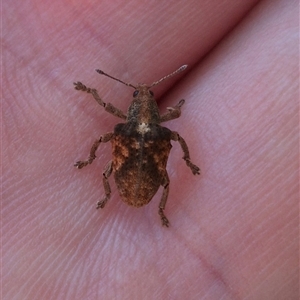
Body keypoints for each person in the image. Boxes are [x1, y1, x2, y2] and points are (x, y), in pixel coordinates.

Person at [3, 0, 298, 299]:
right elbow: (177, 131)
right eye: (140, 94)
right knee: (162, 178)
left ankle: (113, 195)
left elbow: (107, 111)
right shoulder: (162, 131)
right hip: (145, 182)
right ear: (149, 107)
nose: (143, 94)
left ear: (135, 106)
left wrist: (92, 100)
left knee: (110, 164)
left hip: (132, 181)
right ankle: (152, 208)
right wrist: (187, 153)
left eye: (144, 94)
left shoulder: (126, 130)